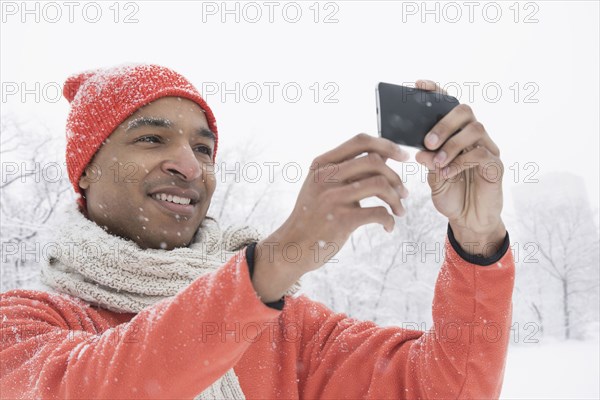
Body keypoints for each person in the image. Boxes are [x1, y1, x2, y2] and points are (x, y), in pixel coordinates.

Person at [0, 64, 514, 400]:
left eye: (204, 150)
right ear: (85, 170)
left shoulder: (286, 325)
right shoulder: (24, 323)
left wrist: (478, 240)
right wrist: (275, 262)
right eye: (152, 138)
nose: (189, 165)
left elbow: (444, 388)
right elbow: (95, 386)